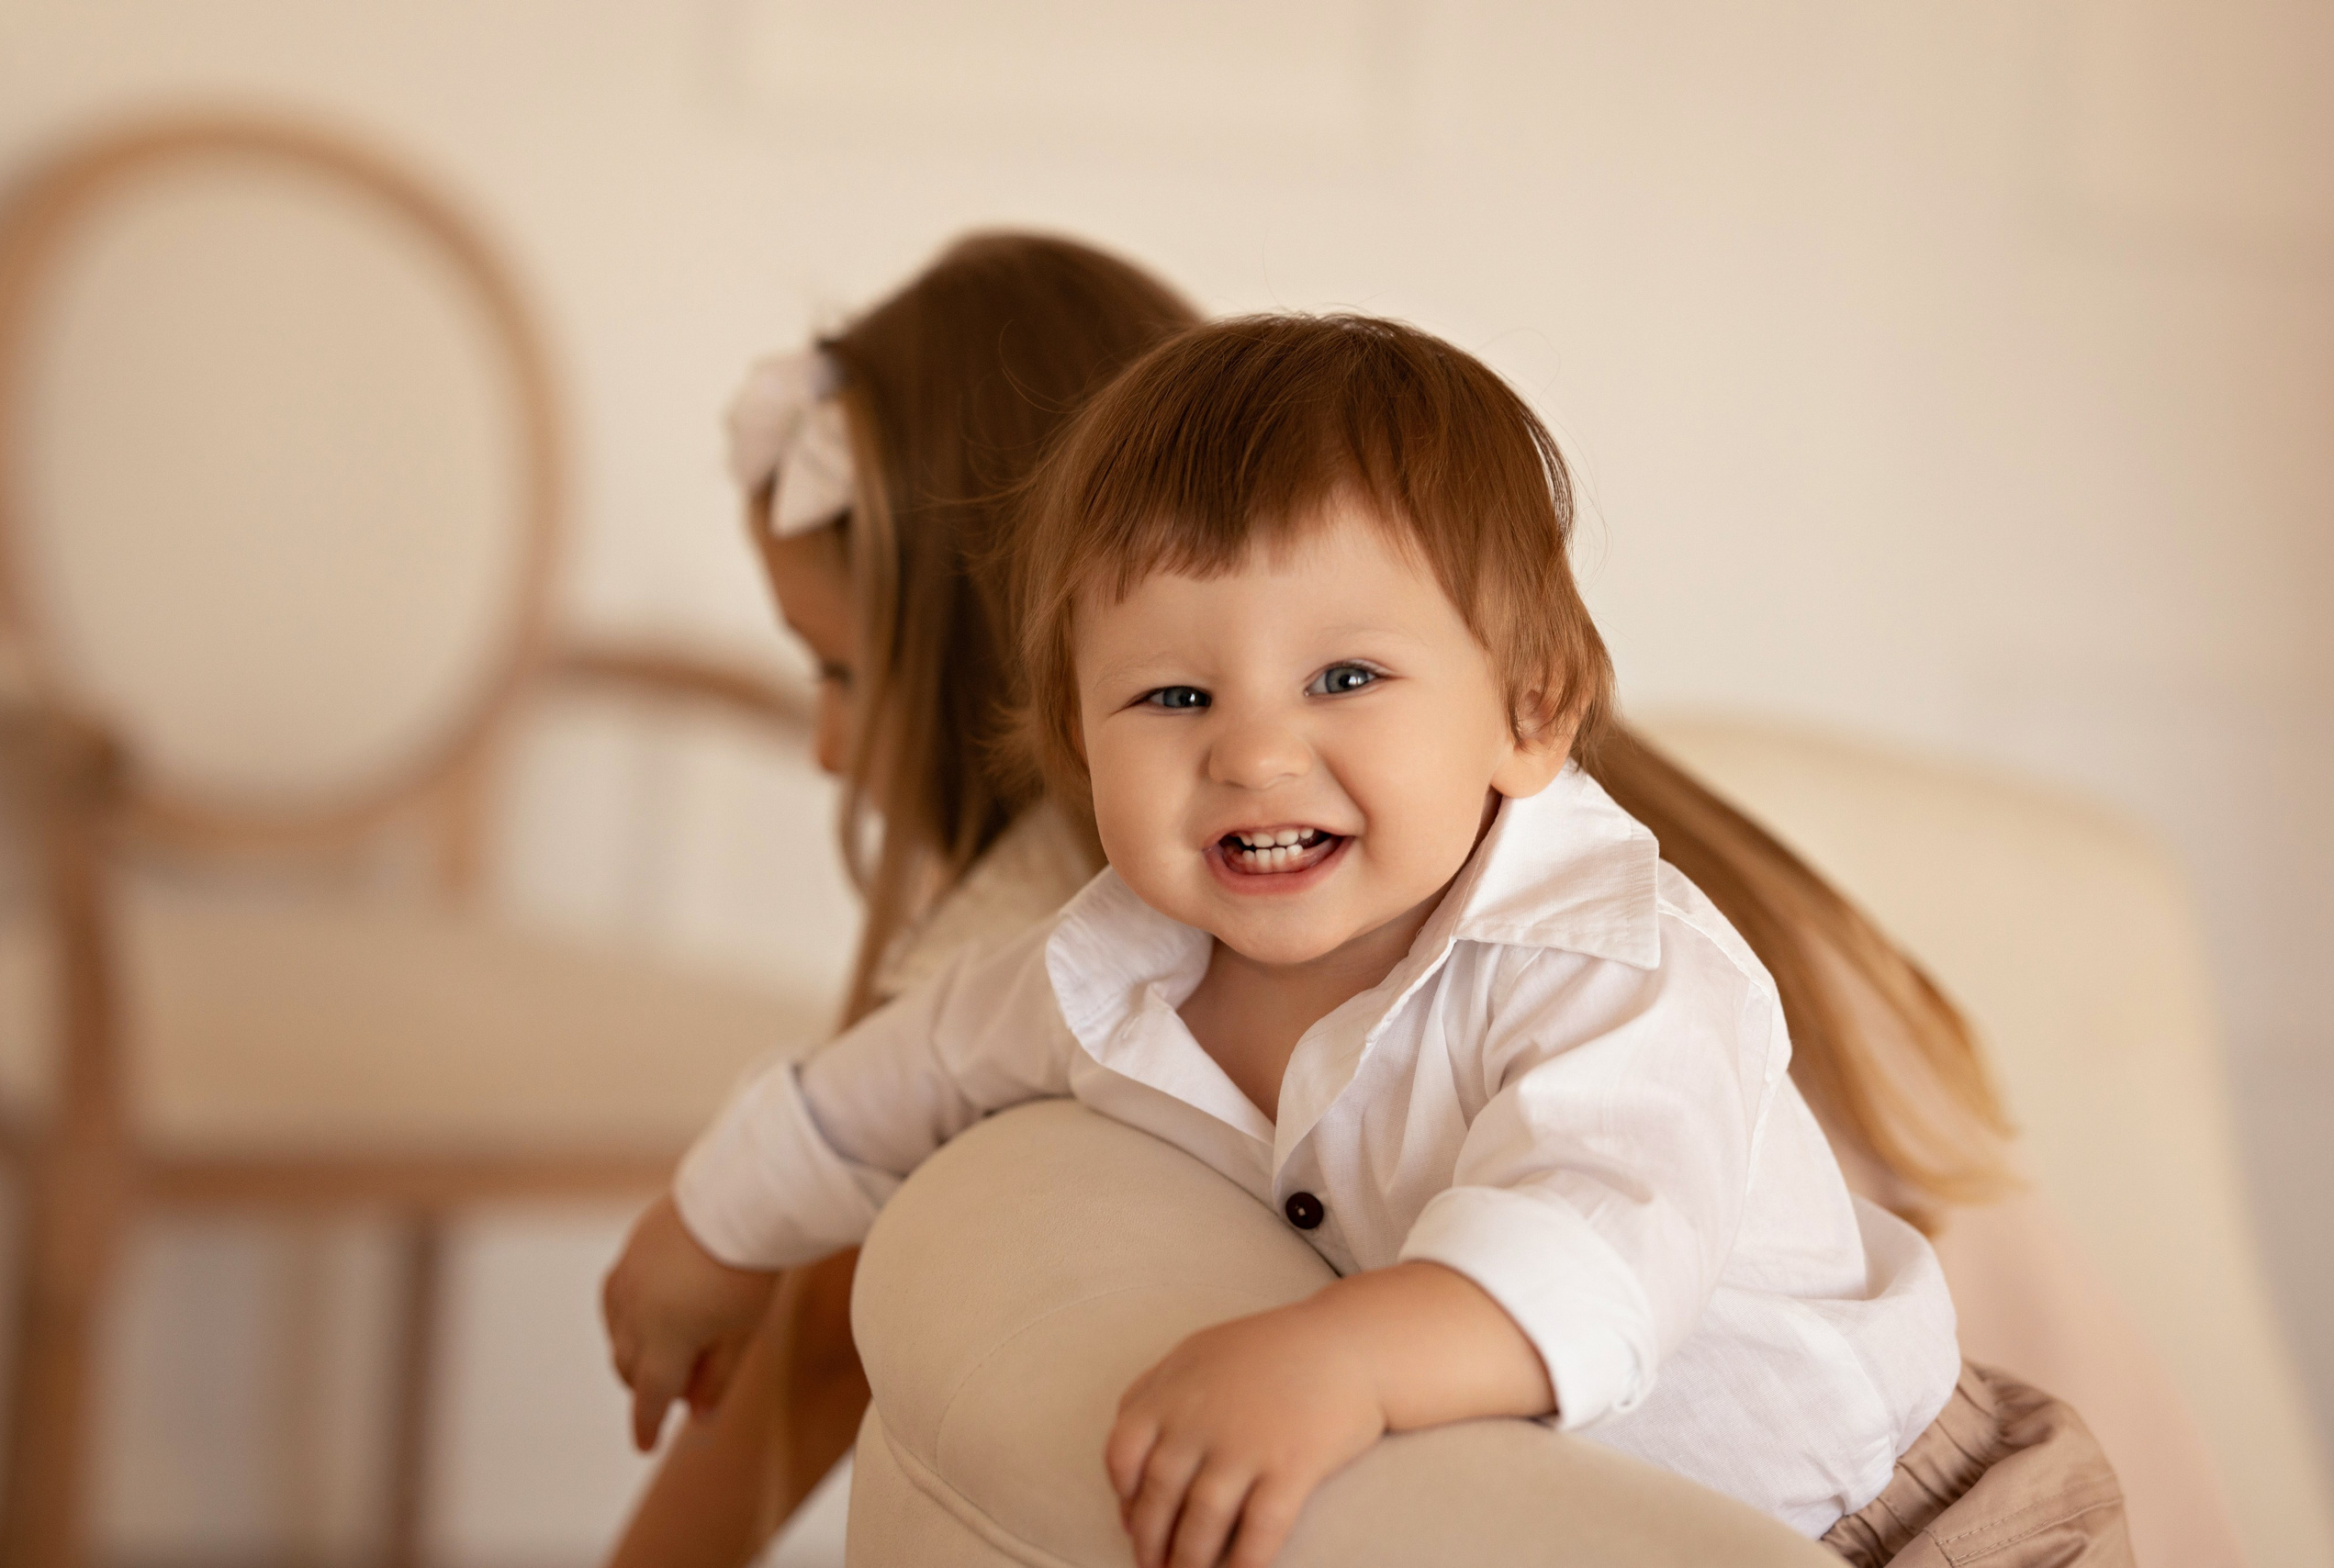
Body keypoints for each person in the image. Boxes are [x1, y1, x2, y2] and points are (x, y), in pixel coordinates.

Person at [605, 316, 2129, 1568]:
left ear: (1531, 711)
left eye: (1344, 679)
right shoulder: (1109, 967)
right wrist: (708, 1227)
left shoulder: (1608, 969)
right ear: (1075, 742)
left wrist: (1345, 1359)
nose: (1255, 755)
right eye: (1174, 698)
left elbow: (1598, 1246)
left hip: (1906, 1524)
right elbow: (903, 1079)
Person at [602, 231, 1201, 1567]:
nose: (827, 748)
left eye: (838, 674)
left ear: (987, 657)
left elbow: (822, 1350)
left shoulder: (1032, 926)